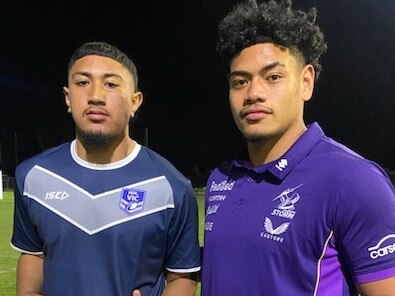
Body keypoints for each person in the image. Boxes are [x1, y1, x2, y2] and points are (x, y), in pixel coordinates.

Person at [201, 0, 395, 295]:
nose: (253, 93)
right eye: (240, 81)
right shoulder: (219, 179)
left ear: (306, 82)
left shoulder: (354, 181)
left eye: (273, 77)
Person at [11, 41, 200, 296]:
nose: (96, 96)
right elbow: (34, 254)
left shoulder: (172, 188)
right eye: (82, 82)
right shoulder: (33, 177)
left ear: (135, 102)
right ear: (68, 98)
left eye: (110, 84)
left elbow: (182, 276)